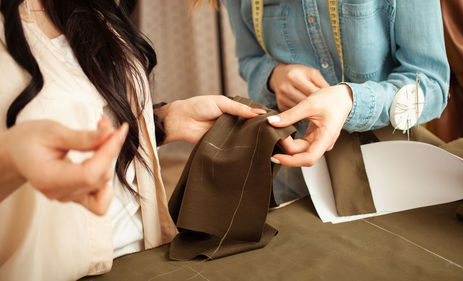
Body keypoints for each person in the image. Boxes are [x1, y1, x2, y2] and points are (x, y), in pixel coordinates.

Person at [0, 0, 265, 279]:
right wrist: (11, 160)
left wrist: (162, 122)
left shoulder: (92, 8)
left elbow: (89, 110)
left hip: (146, 257)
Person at [222, 0, 450, 201]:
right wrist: (274, 75)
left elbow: (431, 85)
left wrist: (350, 102)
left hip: (389, 179)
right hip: (292, 180)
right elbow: (249, 59)